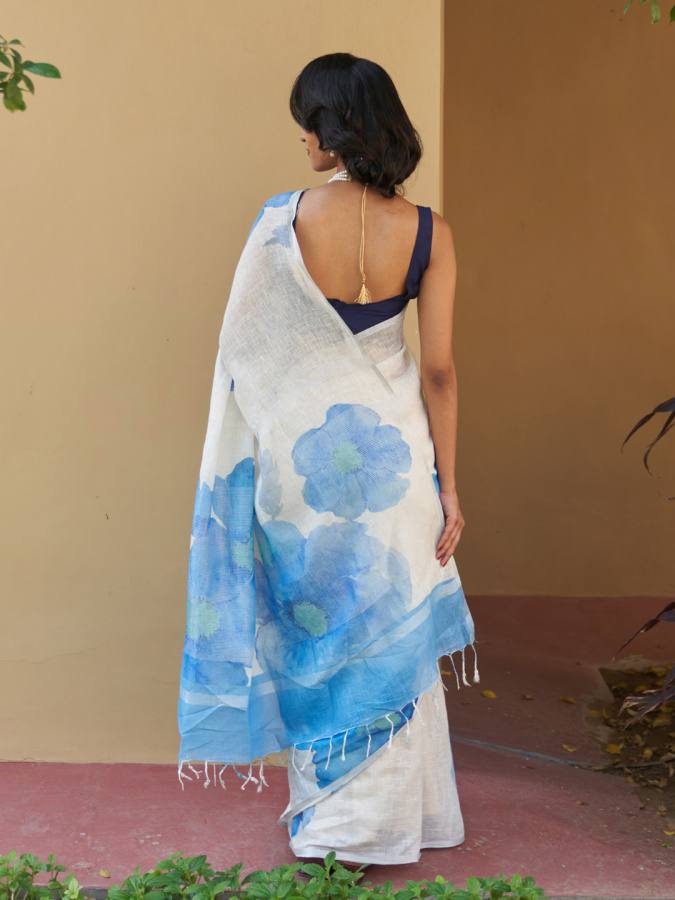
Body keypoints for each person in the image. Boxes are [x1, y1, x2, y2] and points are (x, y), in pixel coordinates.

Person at [176, 52, 479, 868]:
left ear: (332, 130)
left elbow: (243, 353)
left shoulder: (282, 221)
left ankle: (334, 824)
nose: (302, 138)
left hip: (303, 465)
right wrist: (449, 487)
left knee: (318, 629)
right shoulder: (430, 232)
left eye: (306, 122)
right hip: (396, 463)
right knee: (389, 624)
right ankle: (393, 822)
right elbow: (440, 371)